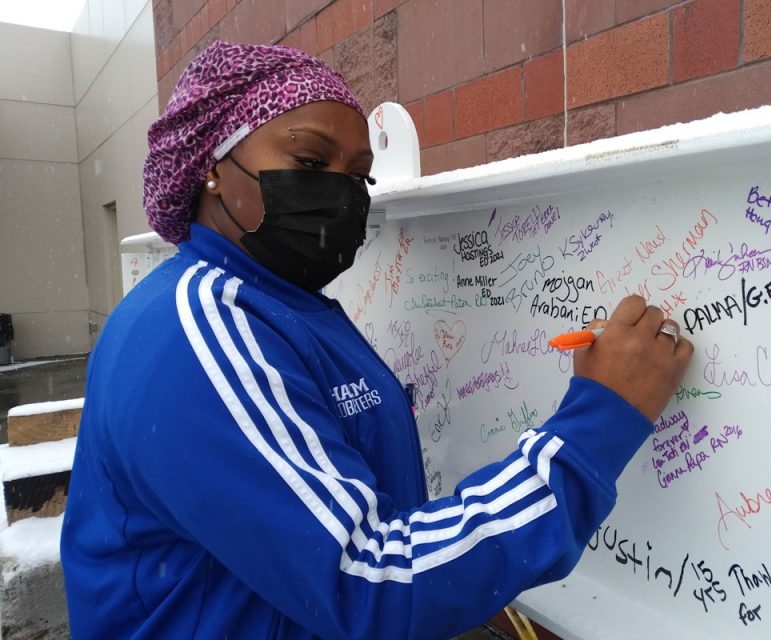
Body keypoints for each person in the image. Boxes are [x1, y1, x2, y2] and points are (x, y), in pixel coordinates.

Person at [61, 40, 693, 639]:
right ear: (210, 168)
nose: (337, 193)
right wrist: (598, 426)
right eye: (309, 162)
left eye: (358, 177)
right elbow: (368, 585)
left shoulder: (281, 306)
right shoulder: (201, 329)